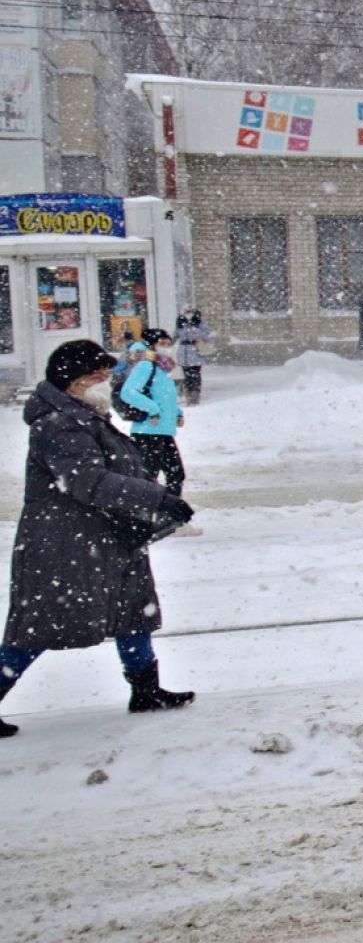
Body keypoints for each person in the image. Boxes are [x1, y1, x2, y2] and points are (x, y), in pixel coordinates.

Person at [0, 340, 196, 738]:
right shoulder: (59, 424)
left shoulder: (86, 415)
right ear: (73, 382)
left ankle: (145, 690)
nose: (105, 380)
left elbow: (115, 469)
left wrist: (149, 500)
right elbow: (87, 482)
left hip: (106, 534)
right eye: (96, 375)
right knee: (41, 623)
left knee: (132, 609)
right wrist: (156, 497)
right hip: (64, 542)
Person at [119, 331, 186, 498]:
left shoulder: (162, 369)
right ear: (152, 345)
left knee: (176, 474)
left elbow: (165, 397)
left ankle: (169, 512)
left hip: (162, 430)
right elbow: (128, 392)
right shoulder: (146, 366)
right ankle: (146, 513)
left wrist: (177, 413)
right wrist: (153, 409)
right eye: (162, 343)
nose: (167, 348)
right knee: (149, 477)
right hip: (148, 431)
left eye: (168, 344)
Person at [174, 308, 214, 404]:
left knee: (195, 375)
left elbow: (207, 336)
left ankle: (195, 395)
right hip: (183, 352)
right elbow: (175, 335)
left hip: (195, 350)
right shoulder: (180, 321)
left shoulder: (199, 322)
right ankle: (188, 394)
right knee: (187, 375)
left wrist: (195, 330)